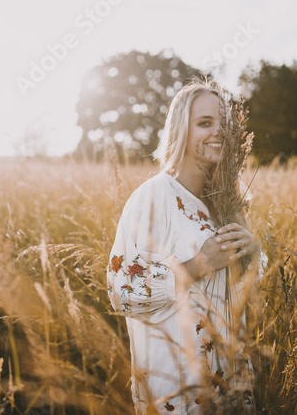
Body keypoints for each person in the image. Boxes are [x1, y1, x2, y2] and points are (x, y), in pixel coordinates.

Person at [107, 81, 267, 414]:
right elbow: (120, 286)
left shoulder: (227, 203)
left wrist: (252, 252)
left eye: (225, 124)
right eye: (205, 123)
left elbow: (250, 291)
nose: (219, 132)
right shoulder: (153, 196)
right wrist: (198, 265)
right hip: (177, 389)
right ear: (181, 129)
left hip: (230, 384)